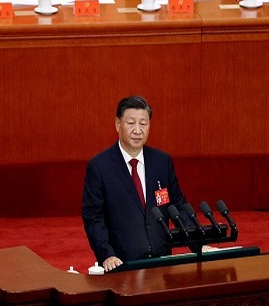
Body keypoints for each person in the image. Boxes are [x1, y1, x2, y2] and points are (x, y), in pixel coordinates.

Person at [82, 95, 192, 272]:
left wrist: (199, 243)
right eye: (131, 123)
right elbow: (93, 218)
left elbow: (177, 206)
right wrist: (106, 254)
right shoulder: (100, 167)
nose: (137, 130)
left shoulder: (162, 162)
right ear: (118, 124)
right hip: (122, 265)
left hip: (161, 264)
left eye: (143, 123)